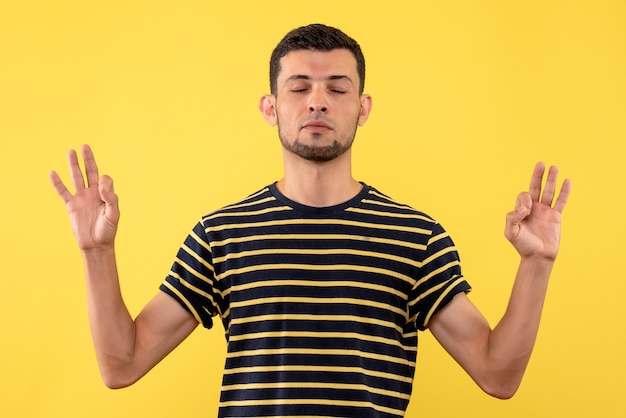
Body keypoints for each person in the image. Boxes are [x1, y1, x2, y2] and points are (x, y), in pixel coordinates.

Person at [49, 23, 572, 418]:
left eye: (337, 88)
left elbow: (497, 375)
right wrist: (96, 254)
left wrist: (538, 264)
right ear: (270, 107)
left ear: (363, 107)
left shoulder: (417, 239)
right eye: (299, 88)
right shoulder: (222, 235)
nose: (317, 101)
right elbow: (123, 365)